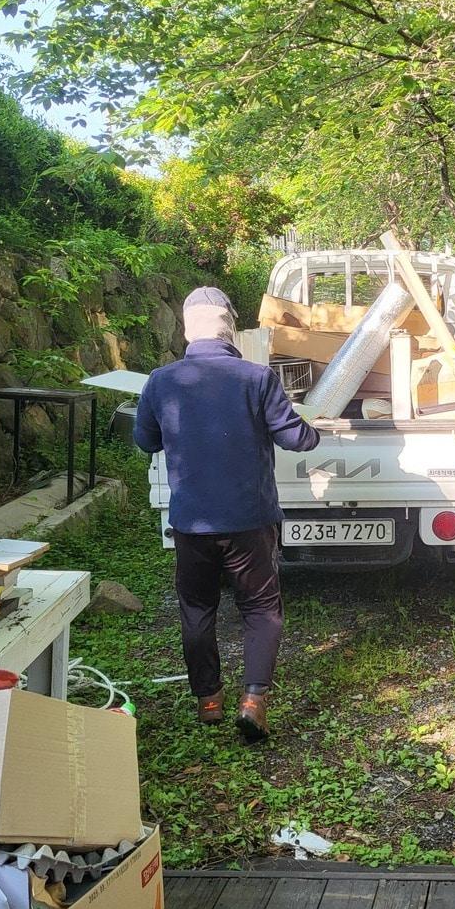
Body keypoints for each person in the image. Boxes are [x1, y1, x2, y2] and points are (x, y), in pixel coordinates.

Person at [134, 286, 319, 742]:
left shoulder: (161, 380)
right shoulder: (256, 378)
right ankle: (254, 700)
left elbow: (146, 441)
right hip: (249, 519)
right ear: (230, 328)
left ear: (186, 329)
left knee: (198, 606)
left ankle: (209, 700)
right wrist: (312, 432)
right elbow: (294, 438)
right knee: (259, 607)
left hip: (192, 520)